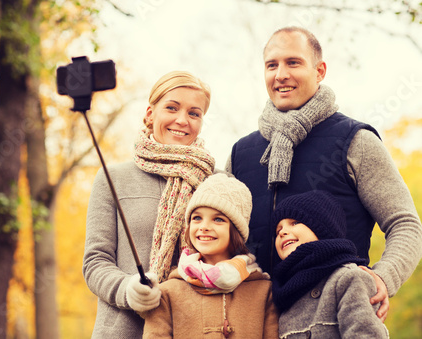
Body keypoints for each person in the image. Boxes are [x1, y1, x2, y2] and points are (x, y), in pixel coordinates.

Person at [227, 26, 422, 321]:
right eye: (272, 65)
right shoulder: (241, 153)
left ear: (320, 71)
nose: (280, 74)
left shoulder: (355, 140)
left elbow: (405, 223)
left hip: (333, 319)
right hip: (252, 321)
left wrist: (382, 277)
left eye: (293, 62)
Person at [83, 71, 217, 338]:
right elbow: (95, 261)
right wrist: (127, 289)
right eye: (171, 107)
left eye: (194, 113)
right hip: (124, 330)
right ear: (149, 114)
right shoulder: (113, 178)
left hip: (195, 328)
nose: (182, 120)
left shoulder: (217, 183)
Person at [143, 173, 279, 338]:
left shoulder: (264, 292)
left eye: (218, 219)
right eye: (197, 218)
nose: (204, 227)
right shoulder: (167, 293)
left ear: (236, 230)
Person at [272, 190, 389, 338]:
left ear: (322, 227)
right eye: (278, 230)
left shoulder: (349, 278)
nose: (283, 232)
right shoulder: (284, 293)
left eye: (295, 222)